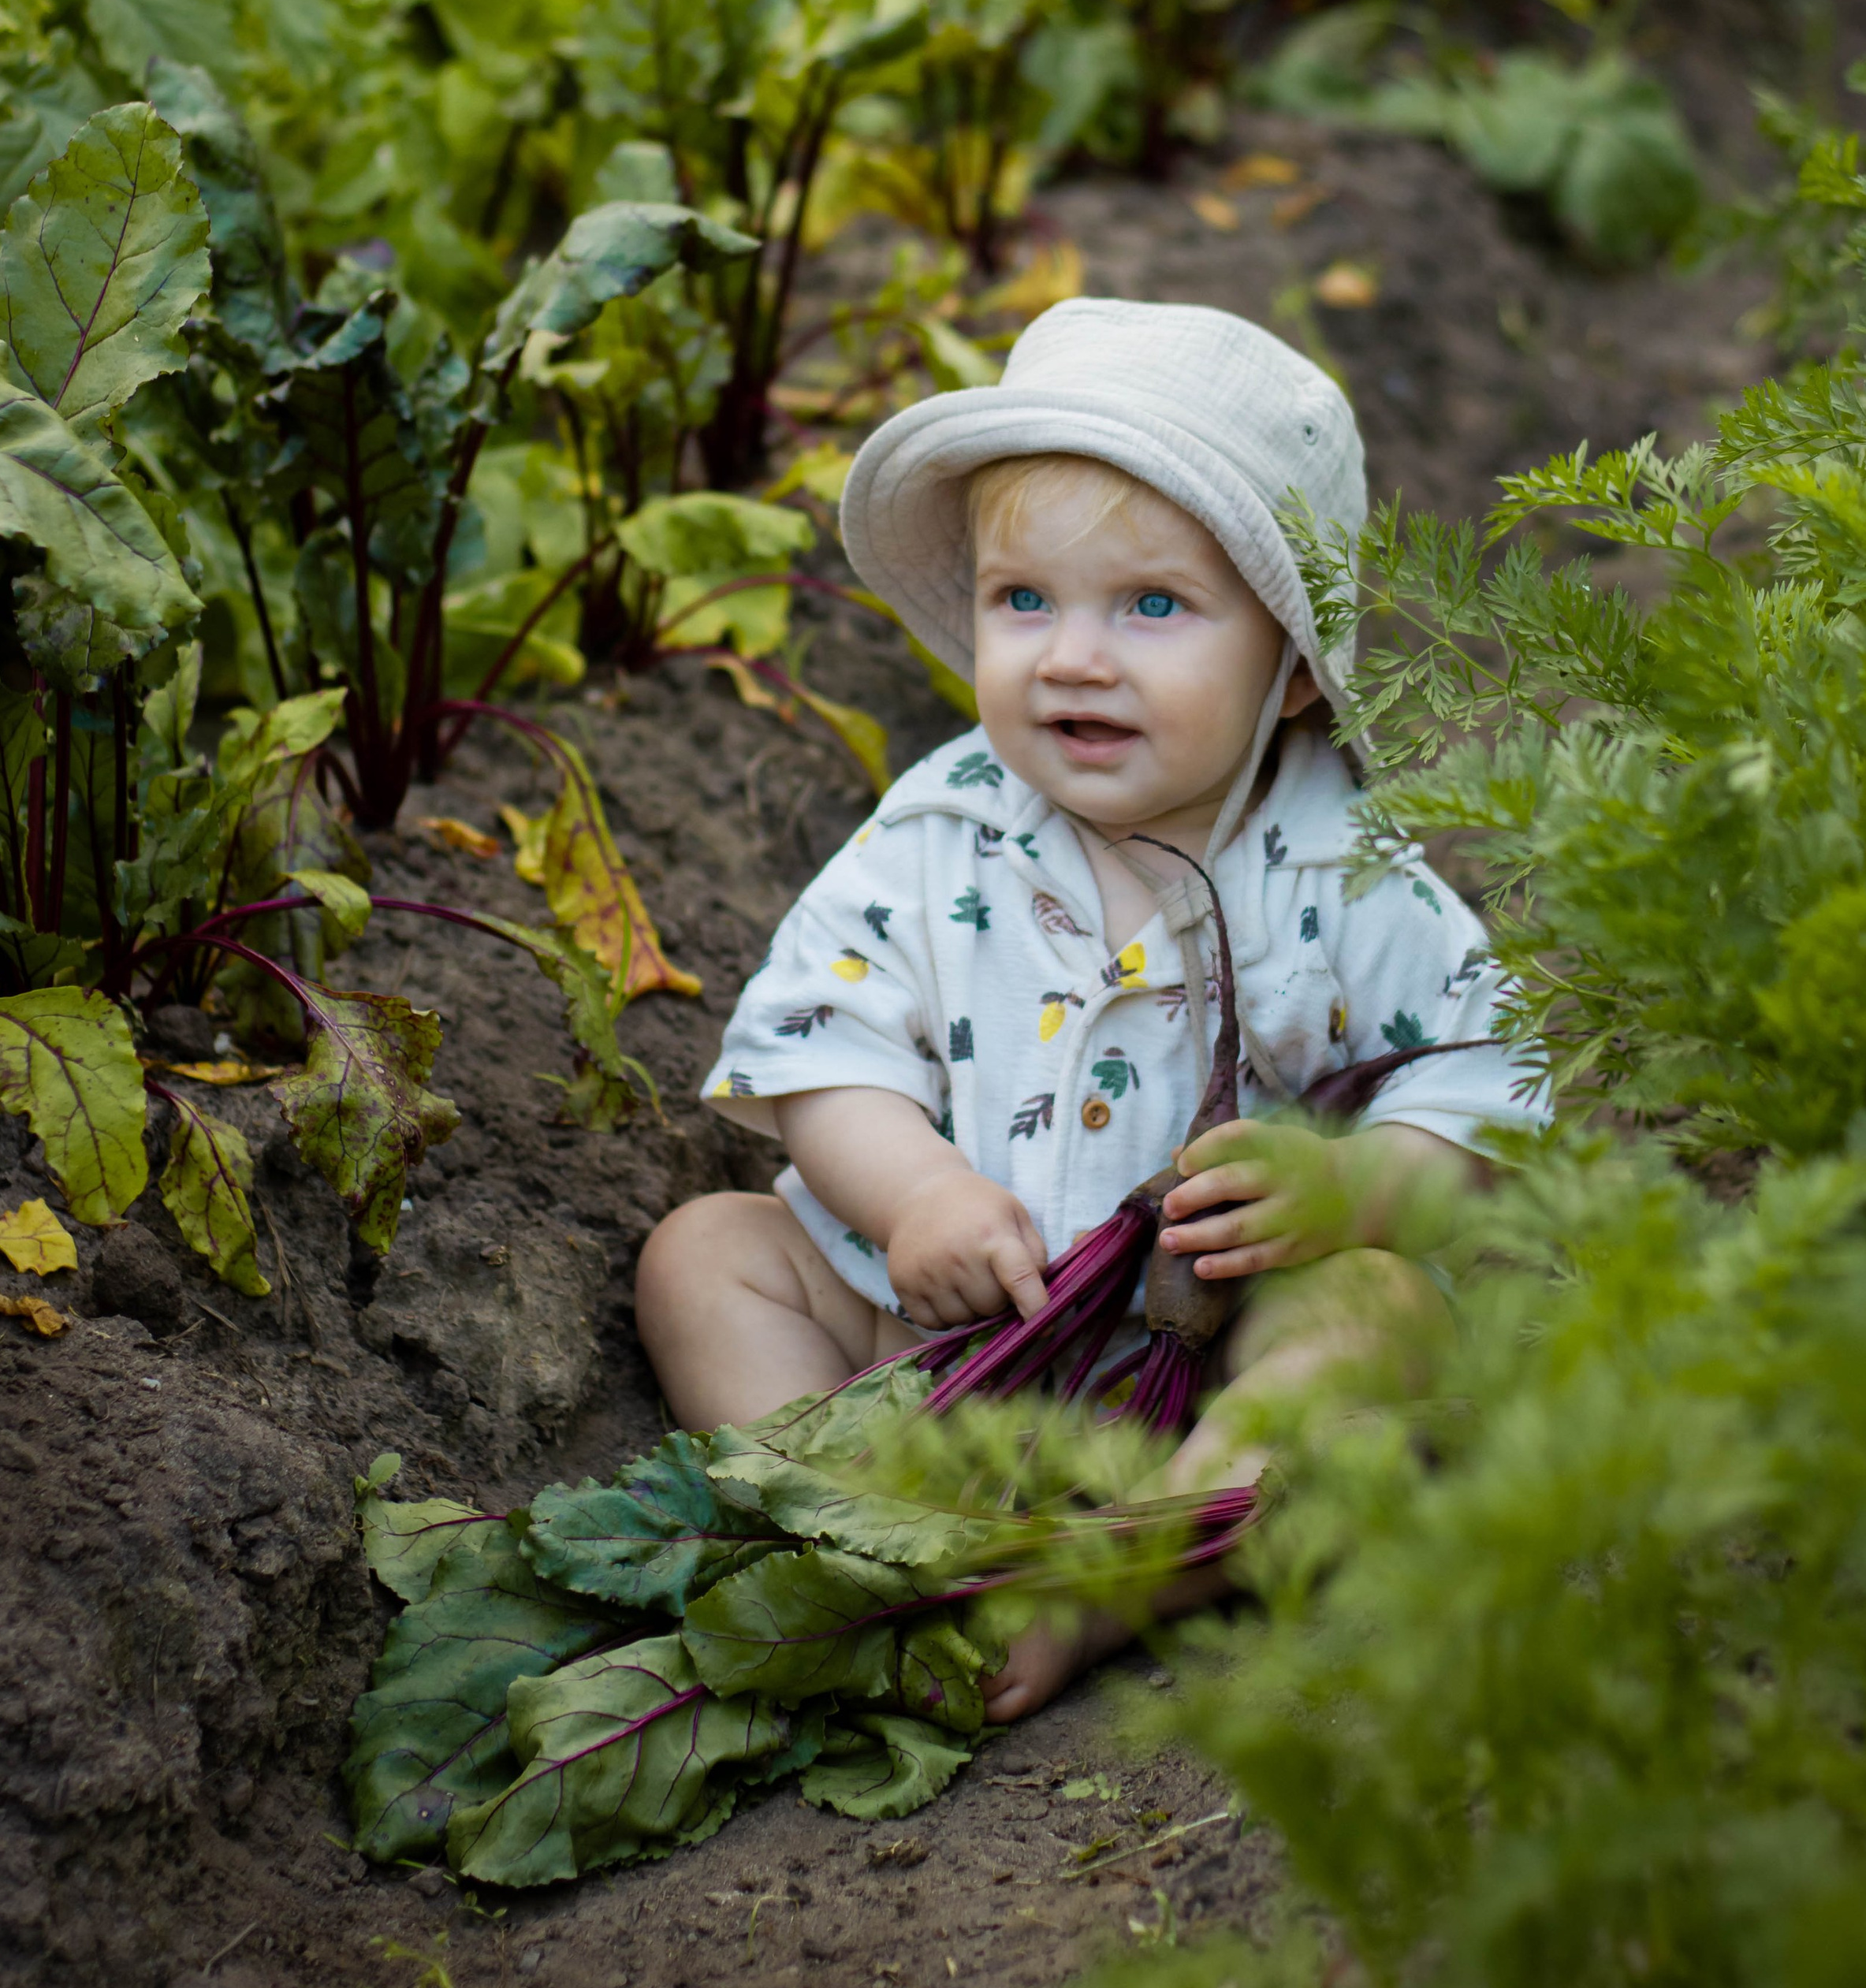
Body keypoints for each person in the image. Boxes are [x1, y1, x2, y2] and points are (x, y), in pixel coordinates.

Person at [635, 298, 1540, 1718]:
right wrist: (915, 1193)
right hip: (937, 1343)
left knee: (1379, 1314)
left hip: (1201, 1362)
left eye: (1154, 606)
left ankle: (1125, 1576)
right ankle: (873, 1527)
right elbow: (824, 1051)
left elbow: (1495, 1082)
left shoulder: (1344, 871)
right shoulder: (940, 830)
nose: (1071, 656)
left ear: (1296, 668)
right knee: (706, 1256)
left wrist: (1354, 1186)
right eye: (1025, 601)